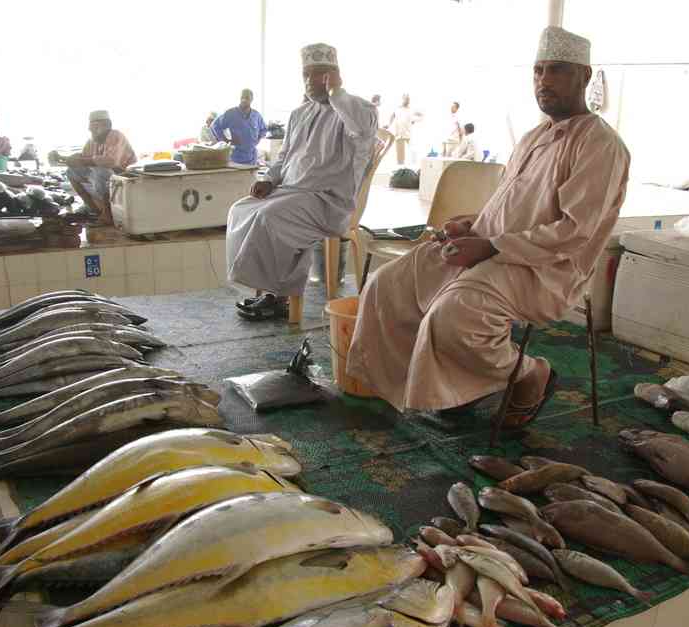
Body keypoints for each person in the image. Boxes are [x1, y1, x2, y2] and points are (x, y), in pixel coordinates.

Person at [347, 27, 630, 422]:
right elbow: (511, 207)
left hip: (547, 269)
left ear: (585, 76)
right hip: (495, 250)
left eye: (557, 70)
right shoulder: (534, 136)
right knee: (386, 286)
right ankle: (447, 390)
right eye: (538, 70)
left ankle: (532, 374)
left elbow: (574, 233)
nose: (543, 81)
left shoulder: (599, 144)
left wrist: (493, 245)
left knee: (456, 313)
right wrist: (474, 225)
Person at [226, 43, 377, 320]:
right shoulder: (299, 114)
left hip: (328, 200)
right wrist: (269, 179)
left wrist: (336, 93)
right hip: (291, 193)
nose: (310, 80)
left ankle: (278, 297)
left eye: (319, 74)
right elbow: (284, 157)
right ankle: (271, 292)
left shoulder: (355, 109)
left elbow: (362, 130)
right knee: (240, 209)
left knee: (271, 217)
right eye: (306, 74)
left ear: (334, 75)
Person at [52, 110, 137, 226]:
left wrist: (81, 160)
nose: (92, 131)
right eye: (91, 128)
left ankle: (107, 215)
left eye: (96, 127)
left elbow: (109, 161)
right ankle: (95, 211)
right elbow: (82, 159)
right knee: (72, 172)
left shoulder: (115, 135)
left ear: (108, 125)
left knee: (100, 171)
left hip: (126, 184)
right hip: (110, 184)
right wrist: (61, 158)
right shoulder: (92, 140)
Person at [211, 89, 268, 165]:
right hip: (236, 157)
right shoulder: (231, 113)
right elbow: (215, 125)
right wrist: (225, 140)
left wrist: (257, 139)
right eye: (242, 97)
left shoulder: (256, 115)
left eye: (247, 97)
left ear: (252, 99)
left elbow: (263, 129)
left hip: (252, 158)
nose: (244, 100)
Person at [386, 94, 422, 165]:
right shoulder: (397, 108)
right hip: (399, 134)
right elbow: (392, 116)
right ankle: (400, 168)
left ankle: (414, 166)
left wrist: (414, 120)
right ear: (403, 99)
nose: (407, 100)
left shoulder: (411, 109)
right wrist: (389, 125)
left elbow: (421, 116)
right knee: (400, 155)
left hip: (408, 134)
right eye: (406, 99)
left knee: (413, 151)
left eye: (408, 99)